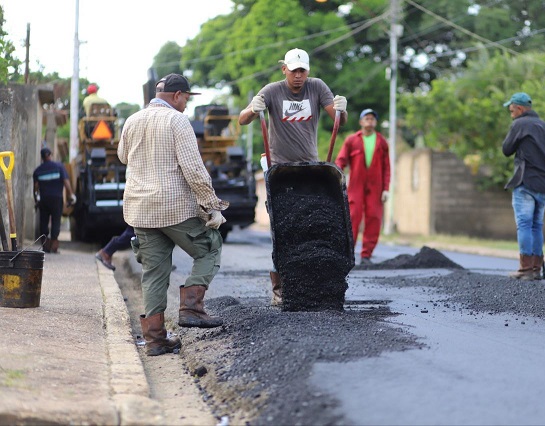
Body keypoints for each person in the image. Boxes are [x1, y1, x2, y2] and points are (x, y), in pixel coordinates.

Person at [118, 73, 229, 357]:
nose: (186, 106)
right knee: (210, 248)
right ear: (178, 96)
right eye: (186, 100)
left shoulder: (132, 120)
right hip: (173, 207)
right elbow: (193, 169)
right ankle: (191, 308)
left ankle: (155, 340)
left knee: (154, 274)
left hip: (139, 210)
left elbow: (122, 156)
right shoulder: (178, 121)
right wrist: (211, 205)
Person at [238, 47, 348, 306]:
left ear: (307, 71)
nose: (298, 75)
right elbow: (242, 120)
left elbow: (338, 121)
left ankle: (318, 281)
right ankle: (280, 287)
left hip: (310, 168)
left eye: (302, 70)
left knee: (312, 227)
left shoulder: (317, 87)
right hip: (280, 170)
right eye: (294, 70)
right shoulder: (272, 90)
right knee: (282, 229)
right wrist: (254, 109)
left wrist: (342, 110)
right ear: (284, 69)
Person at [502, 92, 545, 280]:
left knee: (524, 223)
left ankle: (525, 270)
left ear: (520, 108)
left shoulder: (519, 124)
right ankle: (535, 269)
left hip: (526, 182)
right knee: (536, 225)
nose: (511, 115)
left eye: (512, 111)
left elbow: (506, 149)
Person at [336, 108, 390, 265]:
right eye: (366, 118)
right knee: (353, 217)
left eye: (372, 119)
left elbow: (387, 167)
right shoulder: (352, 140)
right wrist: (338, 176)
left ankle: (366, 255)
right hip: (356, 185)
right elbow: (341, 160)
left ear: (376, 123)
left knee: (374, 217)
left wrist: (386, 188)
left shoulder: (382, 142)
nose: (370, 121)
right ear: (361, 122)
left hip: (376, 186)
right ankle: (348, 254)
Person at [33, 147, 76, 253]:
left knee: (44, 222)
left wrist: (36, 200)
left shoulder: (38, 171)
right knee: (56, 221)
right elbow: (66, 182)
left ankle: (45, 246)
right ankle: (54, 246)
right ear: (51, 155)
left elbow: (35, 189)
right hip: (57, 199)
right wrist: (71, 195)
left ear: (42, 157)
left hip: (44, 199)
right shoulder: (59, 167)